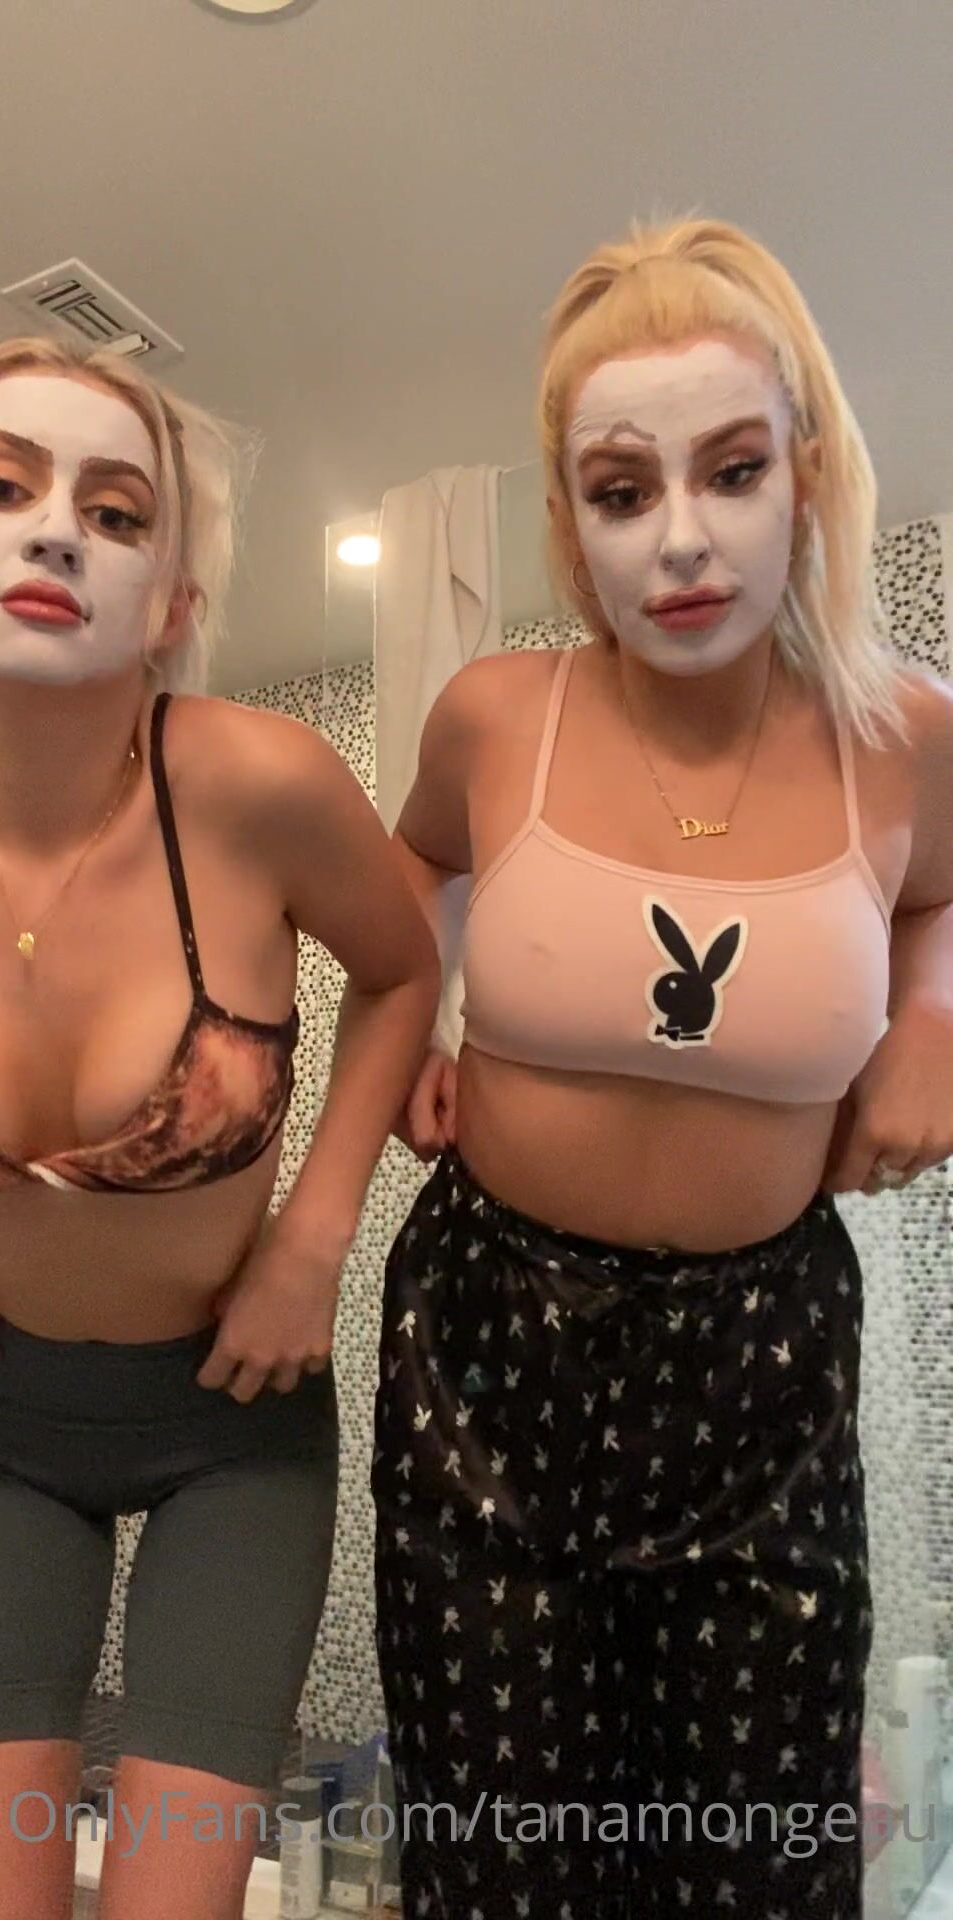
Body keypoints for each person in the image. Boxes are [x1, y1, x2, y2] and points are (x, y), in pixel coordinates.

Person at [373, 218, 953, 1918]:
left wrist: (933, 1020)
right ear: (570, 526)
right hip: (489, 1341)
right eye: (623, 492)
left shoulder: (906, 735)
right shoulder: (495, 714)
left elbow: (948, 901)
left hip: (765, 1363)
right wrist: (416, 1019)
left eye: (734, 470)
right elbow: (413, 875)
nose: (683, 539)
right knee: (501, 1860)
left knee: (759, 1862)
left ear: (808, 475)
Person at [0, 335, 440, 1920]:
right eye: (3, 486)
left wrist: (314, 1239)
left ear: (174, 602)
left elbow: (404, 970)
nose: (57, 531)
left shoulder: (259, 784)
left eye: (117, 513)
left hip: (233, 1428)